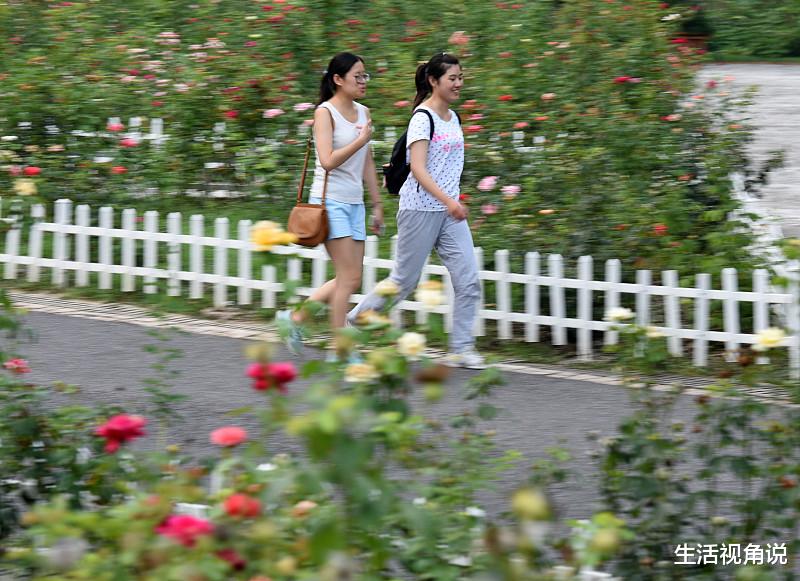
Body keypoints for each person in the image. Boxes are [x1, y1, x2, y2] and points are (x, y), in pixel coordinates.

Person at [347, 52, 485, 369]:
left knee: (468, 279)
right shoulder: (423, 118)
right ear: (434, 81)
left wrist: (451, 202)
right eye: (452, 78)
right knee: (404, 281)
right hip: (420, 209)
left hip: (449, 213)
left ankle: (462, 348)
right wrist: (450, 201)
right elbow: (419, 170)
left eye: (461, 77)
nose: (458, 84)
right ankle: (356, 320)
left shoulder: (454, 117)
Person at [277, 52, 384, 355]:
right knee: (347, 279)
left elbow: (366, 161)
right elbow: (327, 161)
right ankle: (341, 349)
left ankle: (295, 318)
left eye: (365, 75)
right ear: (338, 79)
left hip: (355, 203)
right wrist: (360, 141)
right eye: (357, 76)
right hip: (330, 202)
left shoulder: (363, 112)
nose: (363, 81)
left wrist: (376, 204)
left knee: (351, 277)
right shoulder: (325, 112)